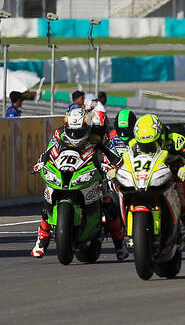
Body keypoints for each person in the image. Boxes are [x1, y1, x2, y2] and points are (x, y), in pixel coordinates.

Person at [30, 106, 128, 260]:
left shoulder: (97, 136)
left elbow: (109, 153)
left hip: (91, 173)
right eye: (72, 131)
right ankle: (41, 241)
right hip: (65, 172)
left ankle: (119, 244)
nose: (75, 136)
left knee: (109, 202)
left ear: (87, 128)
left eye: (79, 132)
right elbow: (48, 152)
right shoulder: (59, 134)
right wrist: (40, 163)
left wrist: (113, 166)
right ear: (66, 126)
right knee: (48, 200)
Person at [128, 113, 185, 266]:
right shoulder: (132, 145)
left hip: (174, 178)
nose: (145, 147)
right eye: (143, 144)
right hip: (146, 178)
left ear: (159, 136)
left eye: (150, 143)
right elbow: (123, 161)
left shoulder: (174, 140)